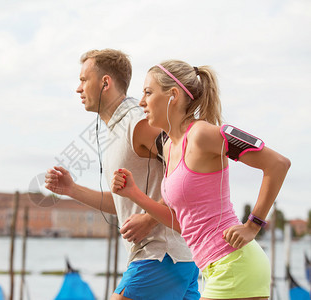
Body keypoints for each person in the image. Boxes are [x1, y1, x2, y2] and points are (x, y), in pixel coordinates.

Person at [111, 59, 291, 300]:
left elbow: (277, 164)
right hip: (214, 268)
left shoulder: (201, 134)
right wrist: (134, 194)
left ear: (172, 95)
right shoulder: (168, 147)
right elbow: (182, 223)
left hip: (233, 264)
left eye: (147, 92)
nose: (141, 101)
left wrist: (253, 225)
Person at [45, 50, 200, 300]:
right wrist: (72, 190)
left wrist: (150, 218)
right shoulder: (118, 129)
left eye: (84, 79)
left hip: (160, 256)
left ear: (105, 82)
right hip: (175, 259)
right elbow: (123, 204)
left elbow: (190, 168)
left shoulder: (137, 123)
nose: (78, 88)